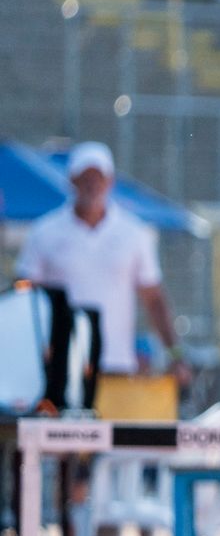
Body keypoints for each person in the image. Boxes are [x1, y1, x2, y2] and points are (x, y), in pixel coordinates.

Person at [14, 143, 190, 391]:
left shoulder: (134, 233)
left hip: (116, 366)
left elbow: (154, 299)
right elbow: (24, 296)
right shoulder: (44, 233)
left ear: (110, 181)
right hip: (59, 367)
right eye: (86, 177)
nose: (93, 184)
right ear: (73, 181)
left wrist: (175, 354)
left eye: (99, 177)